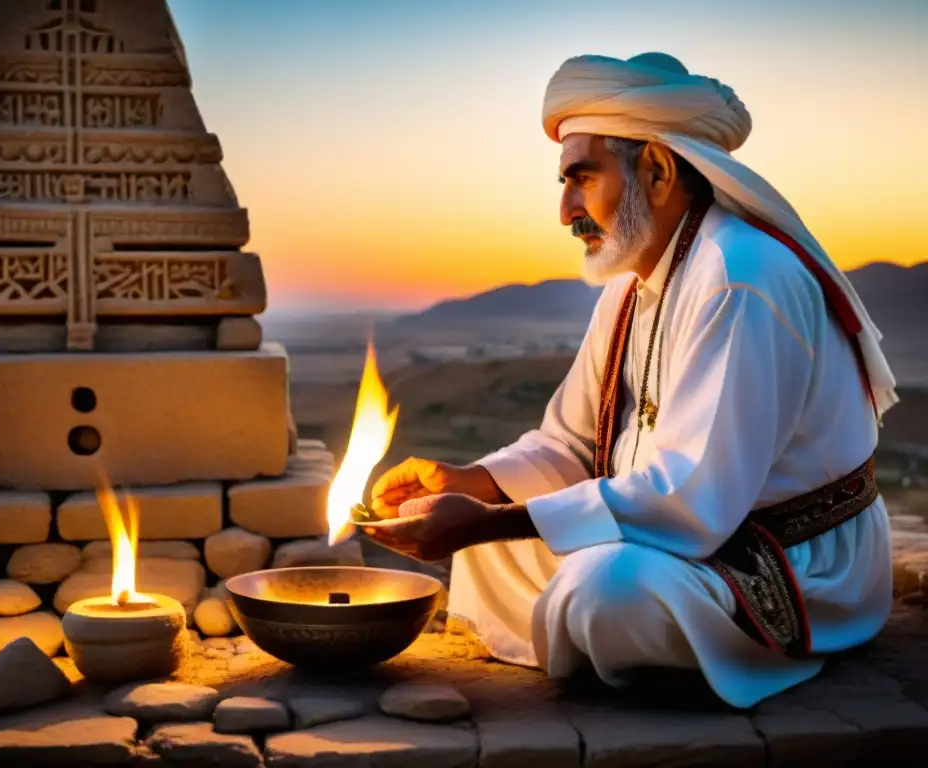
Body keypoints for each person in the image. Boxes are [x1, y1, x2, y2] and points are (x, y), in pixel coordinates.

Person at [362, 52, 899, 709]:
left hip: (790, 558)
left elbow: (693, 501)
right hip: (689, 534)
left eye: (581, 179)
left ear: (657, 169)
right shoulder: (629, 288)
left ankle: (628, 643)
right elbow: (573, 444)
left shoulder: (741, 276)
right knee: (499, 549)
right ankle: (595, 634)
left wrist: (486, 522)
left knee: (605, 589)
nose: (565, 210)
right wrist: (471, 484)